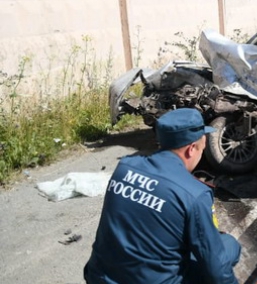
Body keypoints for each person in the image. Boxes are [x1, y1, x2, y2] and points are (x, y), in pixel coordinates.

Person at [84, 108, 241, 284]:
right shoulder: (194, 193)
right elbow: (216, 267)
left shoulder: (125, 167)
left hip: (98, 276)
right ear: (191, 149)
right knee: (229, 245)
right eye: (202, 148)